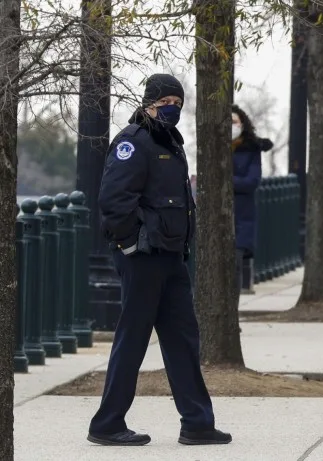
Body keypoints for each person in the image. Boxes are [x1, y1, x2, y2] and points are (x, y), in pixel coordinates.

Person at [89, 73, 231, 446]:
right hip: (143, 259)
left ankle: (197, 424)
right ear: (150, 103)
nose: (173, 109)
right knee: (133, 339)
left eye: (179, 103)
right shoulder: (133, 143)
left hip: (170, 258)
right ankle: (107, 424)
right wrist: (132, 246)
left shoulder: (171, 143)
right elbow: (113, 202)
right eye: (167, 101)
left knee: (184, 339)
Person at [231, 104, 273, 297]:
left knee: (235, 265)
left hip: (242, 216)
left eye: (234, 122)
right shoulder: (213, 149)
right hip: (218, 219)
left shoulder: (250, 149)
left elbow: (252, 181)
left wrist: (226, 181)